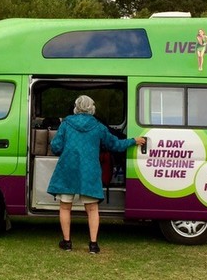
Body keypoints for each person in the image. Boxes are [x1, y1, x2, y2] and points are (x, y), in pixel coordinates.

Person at [47, 95, 145, 254]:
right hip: (89, 170)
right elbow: (115, 144)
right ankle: (93, 245)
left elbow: (56, 147)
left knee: (65, 207)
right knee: (92, 209)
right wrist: (134, 140)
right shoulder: (98, 126)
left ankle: (67, 243)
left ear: (76, 107)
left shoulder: (66, 124)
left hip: (68, 169)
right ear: (92, 108)